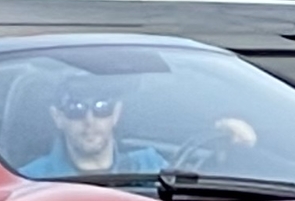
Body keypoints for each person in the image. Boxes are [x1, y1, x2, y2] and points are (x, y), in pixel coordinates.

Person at [19, 76, 255, 180]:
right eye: (76, 109)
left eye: (102, 108)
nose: (90, 120)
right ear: (57, 117)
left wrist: (234, 150)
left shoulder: (150, 167)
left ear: (117, 114)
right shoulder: (32, 179)